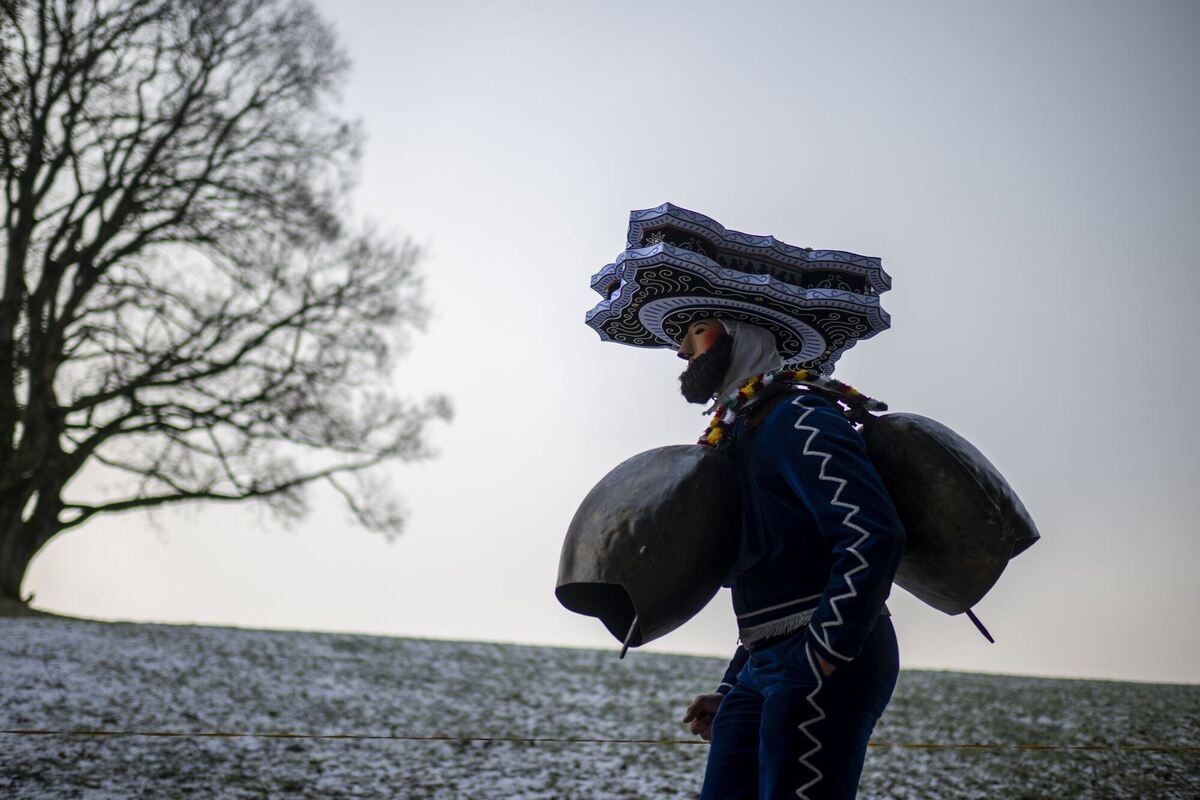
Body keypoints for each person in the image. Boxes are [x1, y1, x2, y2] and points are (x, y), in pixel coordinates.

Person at [676, 318, 906, 800]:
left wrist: (823, 654)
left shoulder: (799, 414)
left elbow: (872, 535)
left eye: (696, 330)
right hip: (762, 663)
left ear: (743, 333)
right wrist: (733, 683)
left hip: (829, 654)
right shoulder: (741, 429)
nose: (682, 350)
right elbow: (770, 575)